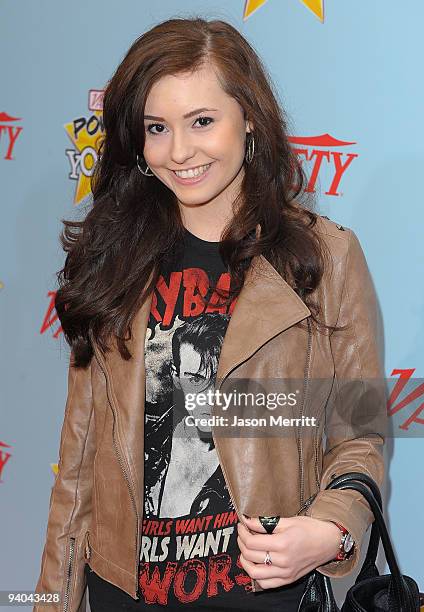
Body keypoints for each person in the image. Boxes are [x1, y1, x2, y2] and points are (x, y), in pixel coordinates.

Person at [34, 16, 387, 612]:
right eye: (157, 128)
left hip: (264, 594)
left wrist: (330, 530)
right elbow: (77, 468)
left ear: (248, 119)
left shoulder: (324, 258)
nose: (180, 151)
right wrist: (46, 602)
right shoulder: (114, 260)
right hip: (124, 594)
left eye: (202, 121)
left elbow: (360, 436)